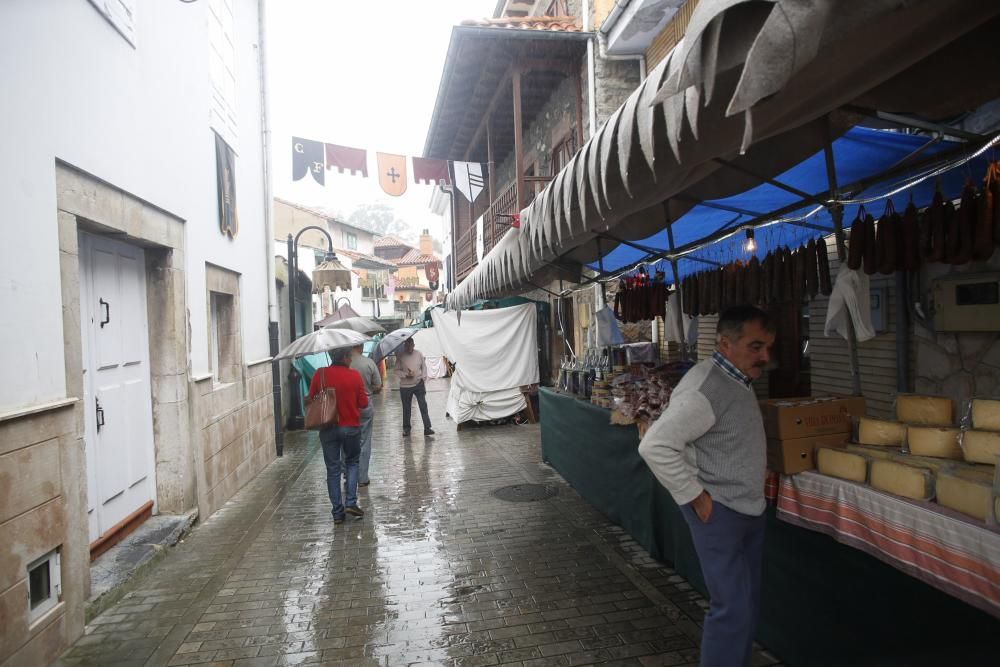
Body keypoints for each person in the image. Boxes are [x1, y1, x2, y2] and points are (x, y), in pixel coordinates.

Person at [638, 305, 775, 667]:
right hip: (721, 512)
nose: (765, 357)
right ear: (725, 344)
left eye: (768, 348)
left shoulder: (736, 379)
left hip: (747, 508)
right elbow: (655, 445)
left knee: (744, 607)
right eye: (756, 347)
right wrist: (697, 498)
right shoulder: (705, 387)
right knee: (731, 610)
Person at [307, 348, 369, 524]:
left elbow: (311, 397)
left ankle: (337, 513)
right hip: (350, 427)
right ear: (344, 357)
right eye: (350, 357)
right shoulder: (354, 376)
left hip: (328, 427)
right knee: (352, 462)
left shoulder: (320, 374)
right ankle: (350, 502)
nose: (351, 360)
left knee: (333, 469)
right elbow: (363, 403)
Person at [350, 344, 382, 486]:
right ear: (361, 346)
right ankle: (362, 478)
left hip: (348, 406)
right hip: (365, 405)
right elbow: (378, 385)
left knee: (348, 440)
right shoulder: (369, 363)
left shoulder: (345, 362)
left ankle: (348, 476)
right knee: (365, 441)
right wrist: (370, 390)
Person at [395, 338, 434, 437]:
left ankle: (427, 428)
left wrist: (423, 378)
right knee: (406, 408)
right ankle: (406, 429)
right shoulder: (400, 356)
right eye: (407, 346)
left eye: (411, 345)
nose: (409, 347)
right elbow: (396, 370)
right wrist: (405, 374)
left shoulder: (419, 354)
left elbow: (424, 367)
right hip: (405, 386)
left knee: (423, 405)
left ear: (414, 345)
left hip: (418, 384)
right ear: (404, 346)